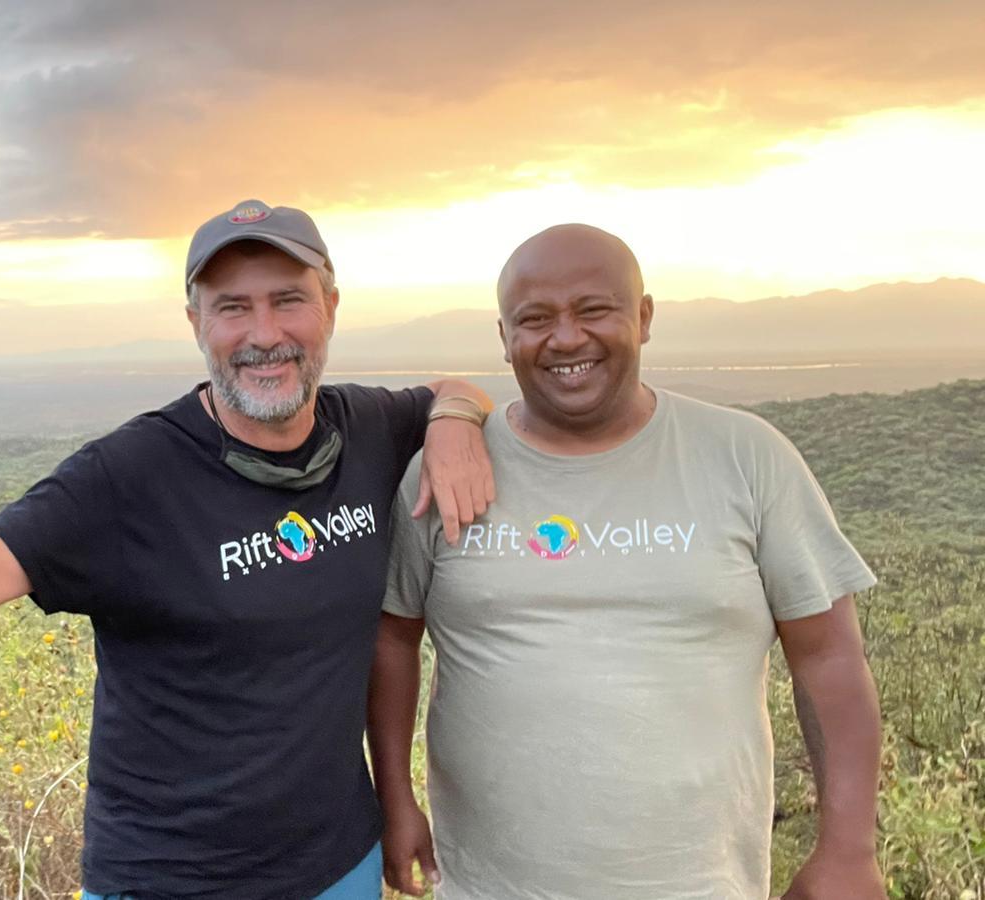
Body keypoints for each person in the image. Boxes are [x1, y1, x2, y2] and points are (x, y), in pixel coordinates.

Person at [0, 199, 498, 899]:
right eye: (232, 308)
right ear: (196, 323)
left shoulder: (368, 427)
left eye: (289, 301)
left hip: (340, 861)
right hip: (173, 878)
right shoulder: (133, 474)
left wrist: (457, 418)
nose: (265, 333)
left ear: (331, 308)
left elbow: (448, 389)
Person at [368, 224, 883, 899]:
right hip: (490, 886)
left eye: (594, 310)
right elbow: (392, 636)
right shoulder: (443, 474)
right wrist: (395, 797)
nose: (565, 338)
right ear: (503, 337)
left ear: (643, 318)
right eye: (535, 319)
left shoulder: (747, 456)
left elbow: (829, 658)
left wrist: (848, 850)